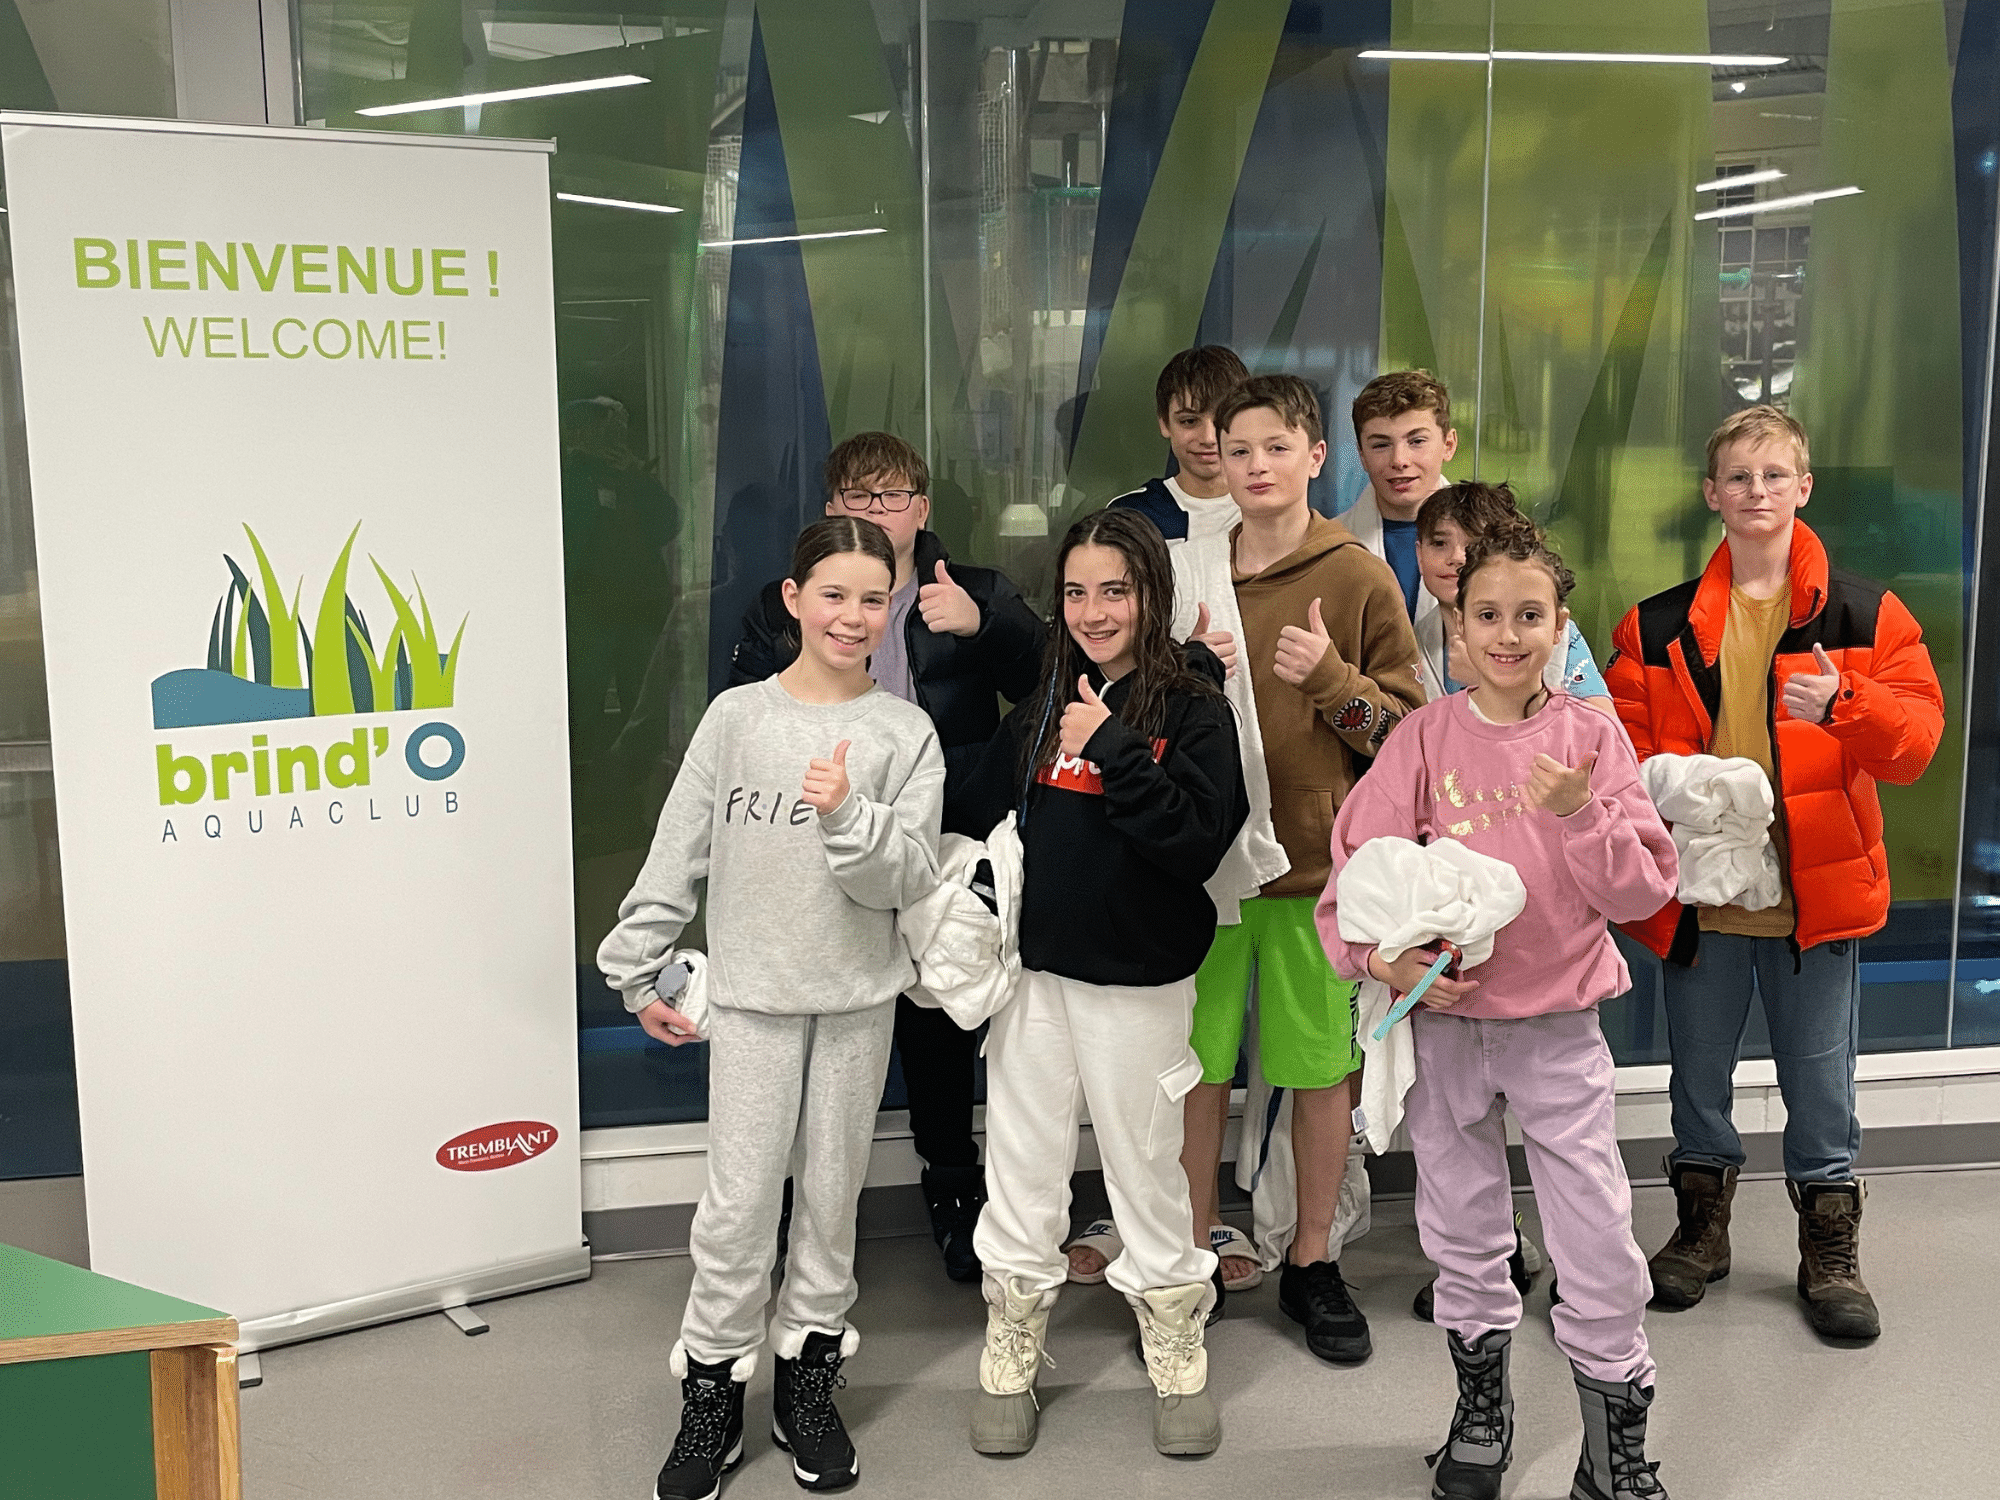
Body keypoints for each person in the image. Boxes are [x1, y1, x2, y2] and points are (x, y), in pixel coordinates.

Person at [1319, 520, 1679, 1500]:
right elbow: (1350, 882)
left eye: (1529, 616)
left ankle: (1612, 1451)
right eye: (1486, 615)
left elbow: (1643, 890)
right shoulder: (1422, 739)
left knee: (1594, 1234)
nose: (1507, 634)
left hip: (1557, 1032)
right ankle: (1480, 1413)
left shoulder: (1589, 738)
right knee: (1461, 1229)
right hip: (1445, 1035)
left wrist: (1578, 812)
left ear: (1561, 628)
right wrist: (1383, 961)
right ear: (1456, 626)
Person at [601, 518, 945, 1500]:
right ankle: (710, 1395)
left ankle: (808, 1385)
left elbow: (904, 878)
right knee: (738, 1207)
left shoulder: (903, 734)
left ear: (892, 606)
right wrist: (637, 970)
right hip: (751, 1002)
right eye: (832, 594)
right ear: (794, 599)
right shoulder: (736, 719)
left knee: (832, 1203)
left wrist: (846, 814)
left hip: (854, 1004)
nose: (852, 617)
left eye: (872, 598)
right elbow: (677, 849)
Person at [1605, 405, 1944, 1342]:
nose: (1757, 491)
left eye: (1774, 474)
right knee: (1696, 1076)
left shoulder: (1867, 615)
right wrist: (1679, 791)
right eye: (1738, 476)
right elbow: (1621, 755)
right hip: (1700, 899)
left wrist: (1848, 702)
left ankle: (1829, 1248)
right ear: (1711, 494)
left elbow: (1915, 747)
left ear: (1804, 487)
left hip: (1814, 898)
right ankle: (1701, 1229)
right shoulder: (1655, 624)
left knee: (1821, 1081)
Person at [950, 507, 1248, 1460]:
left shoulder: (1194, 706)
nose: (1093, 611)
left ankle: (1176, 1346)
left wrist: (1113, 743)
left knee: (1146, 1170)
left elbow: (1197, 841)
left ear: (1151, 593)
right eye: (1076, 592)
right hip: (1034, 983)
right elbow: (972, 800)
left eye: (1114, 590)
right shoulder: (1047, 698)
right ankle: (1012, 1346)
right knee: (1022, 1167)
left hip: (1139, 983)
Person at [728, 431, 1044, 1283]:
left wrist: (986, 627)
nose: (877, 513)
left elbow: (1050, 683)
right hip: (817, 848)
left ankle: (953, 1190)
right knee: (815, 1030)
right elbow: (748, 719)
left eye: (893, 497)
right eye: (857, 498)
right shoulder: (787, 603)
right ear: (832, 509)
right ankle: (785, 1210)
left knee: (938, 1030)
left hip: (942, 845)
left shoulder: (970, 591)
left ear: (922, 508)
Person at [1176, 373, 1422, 1367]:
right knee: (1192, 1073)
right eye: (1237, 450)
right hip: (1200, 873)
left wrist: (1329, 681)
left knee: (1320, 1073)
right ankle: (1184, 1256)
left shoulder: (1357, 578)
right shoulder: (1189, 571)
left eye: (1276, 447)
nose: (1255, 467)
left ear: (1315, 456)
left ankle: (1312, 1260)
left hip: (1312, 875)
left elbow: (1407, 739)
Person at [1067, 346, 1291, 1295]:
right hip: (1141, 800)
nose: (1211, 441)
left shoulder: (1279, 524)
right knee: (1148, 1034)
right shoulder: (1133, 522)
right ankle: (1139, 1217)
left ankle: (1221, 1219)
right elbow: (1092, 649)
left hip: (1260, 805)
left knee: (1249, 1044)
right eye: (1192, 421)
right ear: (1165, 425)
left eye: (1227, 423)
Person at [1416, 480, 1615, 715]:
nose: (1456, 558)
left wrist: (1487, 682)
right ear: (1419, 555)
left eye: (1473, 545)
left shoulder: (1557, 634)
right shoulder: (1413, 640)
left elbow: (1603, 724)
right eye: (1439, 543)